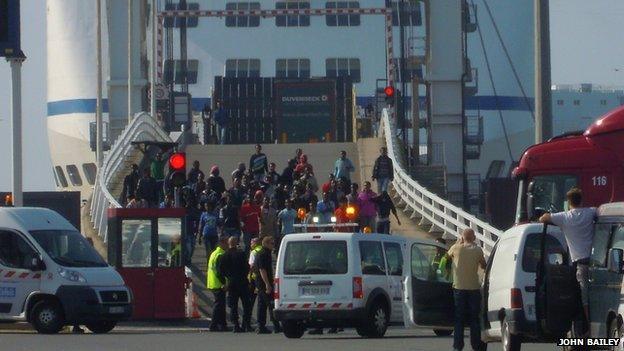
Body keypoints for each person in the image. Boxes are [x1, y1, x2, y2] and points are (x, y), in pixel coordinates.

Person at [539, 187, 596, 332]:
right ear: (581, 200)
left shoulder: (564, 217)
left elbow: (543, 218)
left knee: (583, 296)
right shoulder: (590, 213)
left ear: (568, 202)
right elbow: (600, 211)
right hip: (596, 261)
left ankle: (587, 325)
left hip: (580, 263)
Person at [446, 229, 486, 351]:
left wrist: (459, 242)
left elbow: (446, 257)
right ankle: (476, 345)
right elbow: (484, 265)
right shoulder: (478, 250)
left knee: (459, 319)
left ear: (462, 237)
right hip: (473, 288)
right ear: (473, 238)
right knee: (475, 319)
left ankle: (458, 346)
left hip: (459, 288)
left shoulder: (456, 248)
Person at [221, 236, 252, 333]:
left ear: (228, 243)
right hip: (243, 282)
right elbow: (247, 268)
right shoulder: (241, 254)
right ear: (237, 243)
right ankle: (245, 324)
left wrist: (226, 280)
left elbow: (221, 271)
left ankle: (235, 325)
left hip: (231, 283)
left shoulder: (224, 255)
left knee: (233, 305)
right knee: (247, 304)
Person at [255, 236, 281, 334]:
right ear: (266, 244)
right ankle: (276, 326)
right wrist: (267, 284)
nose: (273, 246)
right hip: (264, 283)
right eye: (271, 243)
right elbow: (262, 269)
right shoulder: (263, 254)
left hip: (261, 282)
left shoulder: (263, 253)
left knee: (261, 305)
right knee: (270, 304)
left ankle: (260, 326)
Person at [207, 236, 230, 332]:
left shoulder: (214, 253)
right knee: (218, 305)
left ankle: (222, 324)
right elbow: (219, 272)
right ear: (223, 243)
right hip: (218, 284)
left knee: (220, 305)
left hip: (213, 282)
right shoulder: (220, 255)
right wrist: (223, 283)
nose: (228, 245)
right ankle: (213, 325)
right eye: (227, 243)